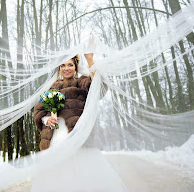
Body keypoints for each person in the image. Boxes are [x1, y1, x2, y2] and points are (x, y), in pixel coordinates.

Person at [31, 37, 127, 191]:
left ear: (75, 66)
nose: (66, 68)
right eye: (63, 65)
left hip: (78, 135)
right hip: (56, 137)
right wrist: (47, 119)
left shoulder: (82, 82)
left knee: (80, 174)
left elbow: (98, 86)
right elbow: (39, 111)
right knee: (58, 176)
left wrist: (90, 59)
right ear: (59, 68)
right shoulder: (52, 88)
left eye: (70, 64)